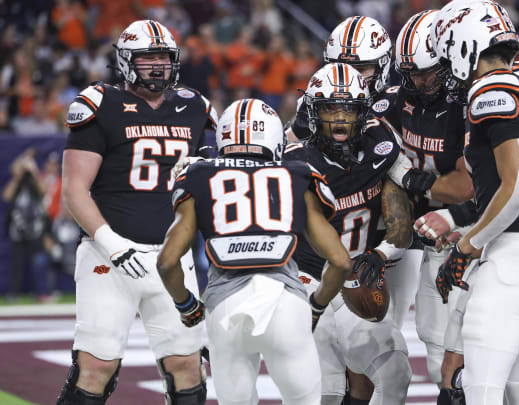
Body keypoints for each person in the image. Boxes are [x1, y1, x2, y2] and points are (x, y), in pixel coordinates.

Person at [57, 20, 217, 404]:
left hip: (173, 258)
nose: (158, 66)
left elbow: (210, 181)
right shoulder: (102, 103)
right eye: (148, 58)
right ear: (127, 62)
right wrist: (112, 244)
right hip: (108, 257)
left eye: (164, 57)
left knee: (188, 366)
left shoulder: (194, 107)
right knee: (95, 368)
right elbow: (74, 189)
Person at [157, 98, 353, 405]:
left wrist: (186, 305)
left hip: (225, 309)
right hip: (285, 304)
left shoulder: (198, 175)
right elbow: (341, 262)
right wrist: (315, 306)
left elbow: (167, 261)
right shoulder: (297, 175)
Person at [421, 3, 519, 404]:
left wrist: (468, 246)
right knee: (513, 389)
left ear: (467, 44)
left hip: (514, 254)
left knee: (481, 390)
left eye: (449, 51)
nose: (448, 65)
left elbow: (518, 186)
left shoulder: (491, 87)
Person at [285, 62, 414, 405]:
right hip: (305, 282)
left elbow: (400, 219)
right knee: (320, 390)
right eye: (330, 108)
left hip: (355, 277)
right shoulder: (293, 161)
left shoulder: (381, 145)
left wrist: (382, 252)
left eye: (349, 108)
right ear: (313, 112)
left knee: (394, 370)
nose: (340, 118)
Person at [375, 9, 473, 389]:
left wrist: (411, 177)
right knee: (438, 355)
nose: (419, 80)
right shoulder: (399, 99)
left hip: (464, 230)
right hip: (427, 235)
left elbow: (466, 187)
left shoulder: (467, 103)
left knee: (466, 356)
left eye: (428, 70)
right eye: (411, 71)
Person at [286, 15, 392, 142]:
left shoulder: (396, 104)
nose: (349, 77)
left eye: (361, 69)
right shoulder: (315, 100)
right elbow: (285, 148)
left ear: (382, 66)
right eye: (341, 67)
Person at [3, 148, 53, 301]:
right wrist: (17, 176)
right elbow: (6, 196)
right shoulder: (16, 182)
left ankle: (41, 293)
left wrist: (34, 171)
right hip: (18, 230)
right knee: (16, 265)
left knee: (38, 263)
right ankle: (14, 294)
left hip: (36, 230)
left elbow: (43, 191)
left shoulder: (36, 180)